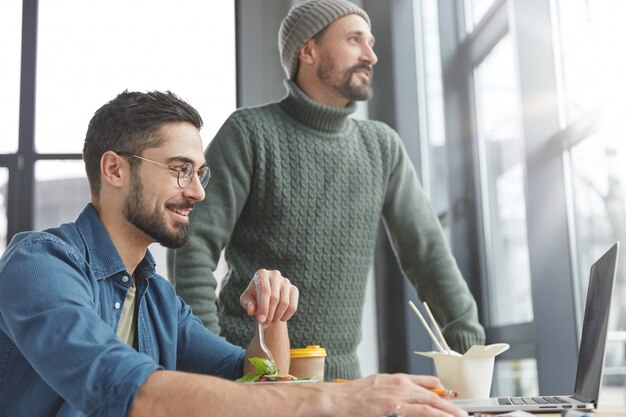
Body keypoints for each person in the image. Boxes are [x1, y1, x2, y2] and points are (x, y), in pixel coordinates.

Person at [0, 90, 468, 417]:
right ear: (114, 169)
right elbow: (126, 389)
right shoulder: (40, 266)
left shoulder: (159, 300)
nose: (198, 193)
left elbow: (251, 377)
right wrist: (335, 399)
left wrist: (272, 320)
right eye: (181, 170)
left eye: (200, 174)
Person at [168, 0, 485, 381]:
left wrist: (470, 351)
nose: (371, 55)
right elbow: (193, 245)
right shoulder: (249, 133)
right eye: (354, 40)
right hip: (253, 374)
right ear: (308, 50)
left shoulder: (382, 146)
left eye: (370, 42)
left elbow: (428, 253)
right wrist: (210, 357)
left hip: (342, 382)